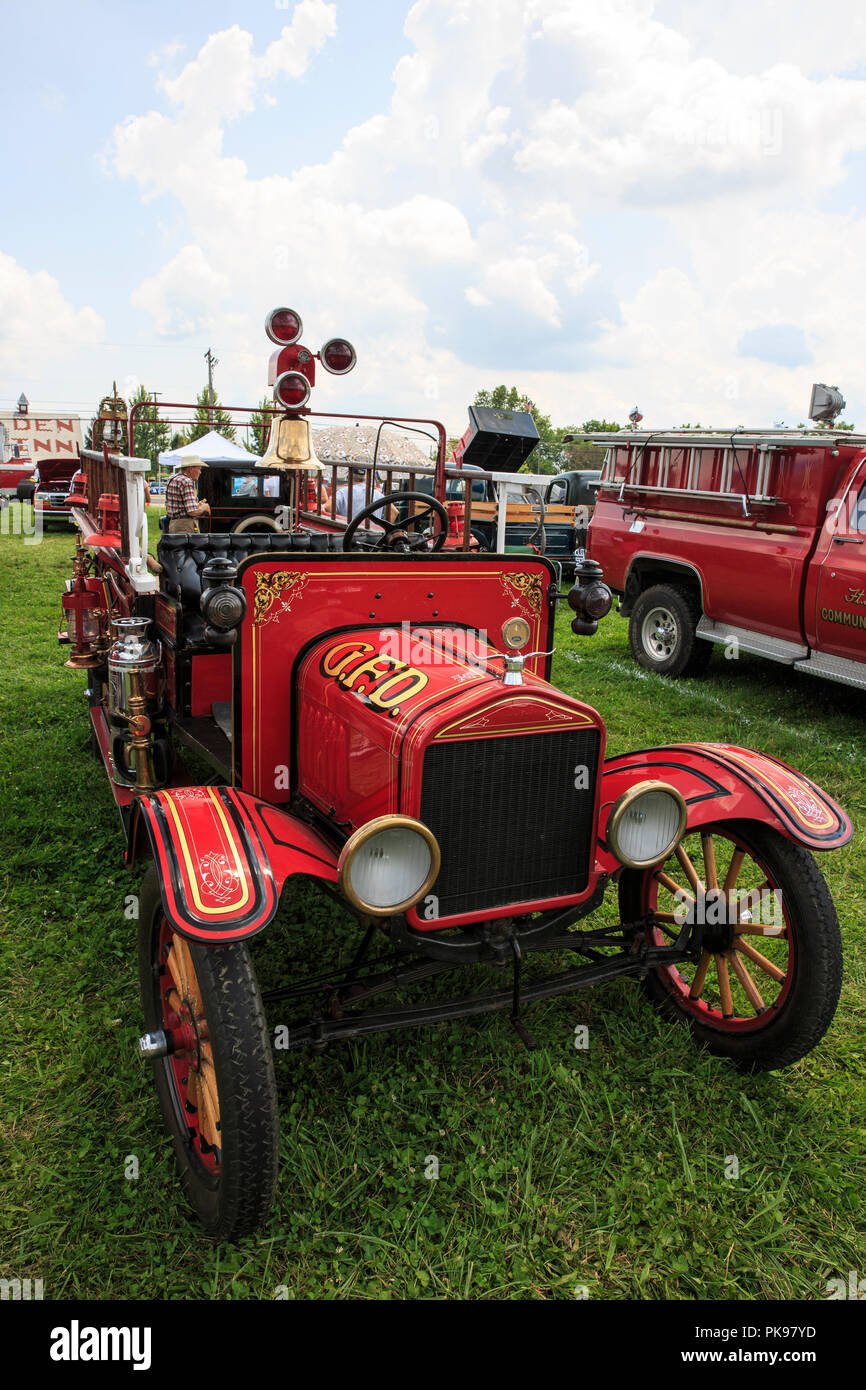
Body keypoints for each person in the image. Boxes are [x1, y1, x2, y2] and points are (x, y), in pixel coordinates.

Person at [165, 458, 210, 533]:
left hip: (173, 523)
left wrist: (196, 505)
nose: (200, 472)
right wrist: (204, 508)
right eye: (199, 469)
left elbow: (179, 504)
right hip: (185, 525)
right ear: (191, 468)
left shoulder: (172, 478)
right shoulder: (186, 481)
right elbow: (192, 511)